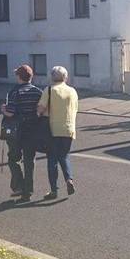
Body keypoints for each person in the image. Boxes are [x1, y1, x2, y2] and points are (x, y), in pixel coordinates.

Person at [2, 64, 44, 203]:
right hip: (32, 130)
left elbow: (11, 112)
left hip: (17, 131)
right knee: (29, 161)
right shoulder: (38, 92)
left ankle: (19, 185)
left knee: (13, 159)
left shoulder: (14, 92)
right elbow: (41, 111)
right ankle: (28, 192)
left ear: (19, 76)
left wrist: (3, 109)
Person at [37, 66, 78, 200]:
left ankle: (54, 190)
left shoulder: (49, 90)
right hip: (68, 129)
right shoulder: (72, 91)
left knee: (52, 159)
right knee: (64, 156)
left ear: (52, 77)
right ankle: (69, 179)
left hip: (52, 130)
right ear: (66, 77)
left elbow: (41, 109)